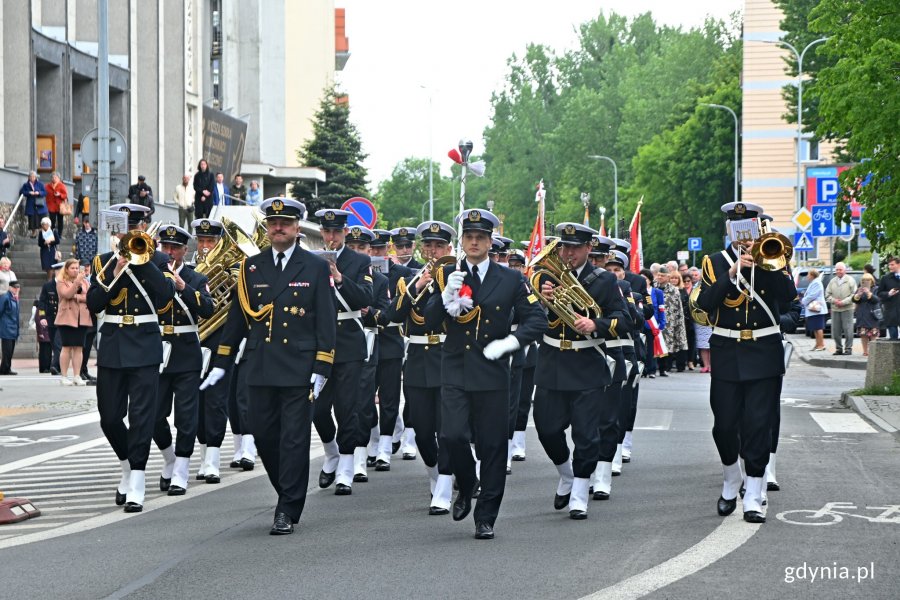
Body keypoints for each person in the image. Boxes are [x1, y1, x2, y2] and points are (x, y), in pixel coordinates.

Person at [202, 198, 336, 535]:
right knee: (262, 435)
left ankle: (287, 507)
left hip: (299, 366)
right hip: (260, 365)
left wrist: (322, 366)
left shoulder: (315, 267)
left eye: (286, 223)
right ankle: (286, 492)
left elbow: (326, 321)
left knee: (293, 439)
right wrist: (221, 362)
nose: (278, 228)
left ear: (296, 229)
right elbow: (237, 320)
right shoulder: (251, 267)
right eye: (273, 222)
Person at [425, 208, 546, 539]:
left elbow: (536, 319)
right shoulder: (451, 273)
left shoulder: (510, 279)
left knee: (493, 446)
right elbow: (430, 320)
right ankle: (467, 484)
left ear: (490, 242)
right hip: (454, 368)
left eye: (480, 237)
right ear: (462, 242)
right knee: (450, 436)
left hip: (492, 372)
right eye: (469, 237)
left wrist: (510, 343)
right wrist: (445, 293)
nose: (474, 242)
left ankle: (486, 515)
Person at [696, 201, 797, 524]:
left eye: (749, 226)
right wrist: (732, 272)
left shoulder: (773, 258)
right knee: (724, 424)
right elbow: (705, 304)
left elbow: (788, 297)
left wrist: (770, 264)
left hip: (763, 351)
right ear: (729, 229)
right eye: (736, 226)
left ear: (757, 228)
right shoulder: (713, 263)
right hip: (726, 350)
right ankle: (731, 479)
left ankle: (754, 492)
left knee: (758, 424)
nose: (742, 232)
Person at [532, 225, 627, 520]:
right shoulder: (545, 277)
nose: (568, 253)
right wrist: (545, 303)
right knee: (547, 429)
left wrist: (595, 325)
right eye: (564, 247)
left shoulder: (605, 280)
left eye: (575, 247)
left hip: (587, 363)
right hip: (551, 361)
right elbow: (529, 318)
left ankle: (580, 491)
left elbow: (624, 319)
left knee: (586, 435)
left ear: (589, 248)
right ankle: (567, 474)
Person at [86, 203, 176, 513]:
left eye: (135, 226)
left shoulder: (159, 258)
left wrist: (143, 260)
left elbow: (166, 297)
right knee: (109, 417)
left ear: (143, 227)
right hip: (112, 345)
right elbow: (94, 304)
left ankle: (138, 477)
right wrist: (113, 270)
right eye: (124, 226)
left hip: (146, 344)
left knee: (142, 416)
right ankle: (126, 464)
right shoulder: (101, 261)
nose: (129, 232)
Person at [386, 221, 457, 514]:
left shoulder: (457, 277)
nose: (433, 251)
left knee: (448, 429)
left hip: (446, 358)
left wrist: (442, 286)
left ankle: (443, 486)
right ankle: (435, 476)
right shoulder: (408, 279)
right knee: (423, 431)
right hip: (416, 360)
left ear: (449, 249)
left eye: (439, 246)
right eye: (428, 245)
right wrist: (417, 286)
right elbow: (391, 316)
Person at [311, 208, 374, 496]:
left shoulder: (360, 261)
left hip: (349, 341)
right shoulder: (310, 260)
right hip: (319, 344)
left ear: (345, 232)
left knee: (347, 408)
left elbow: (365, 298)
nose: (332, 237)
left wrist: (338, 277)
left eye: (337, 231)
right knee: (318, 409)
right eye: (327, 231)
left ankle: (346, 467)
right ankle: (332, 452)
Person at [151, 225, 214, 496]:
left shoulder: (195, 277)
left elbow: (208, 308)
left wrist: (183, 287)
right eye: (165, 247)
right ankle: (169, 459)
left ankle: (182, 470)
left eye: (175, 248)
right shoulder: (150, 276)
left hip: (187, 351)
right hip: (157, 351)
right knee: (153, 414)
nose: (169, 252)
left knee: (187, 417)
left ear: (184, 251)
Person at [390, 226, 422, 457]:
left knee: (411, 389)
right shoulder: (388, 270)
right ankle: (396, 427)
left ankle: (410, 436)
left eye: (407, 245)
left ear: (413, 247)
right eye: (399, 246)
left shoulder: (421, 270)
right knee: (391, 388)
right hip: (391, 333)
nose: (403, 250)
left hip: (412, 336)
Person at [55, 258, 92, 385]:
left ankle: (77, 375)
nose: (76, 270)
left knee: (78, 347)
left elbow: (89, 297)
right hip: (67, 317)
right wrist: (76, 283)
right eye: (73, 268)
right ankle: (64, 376)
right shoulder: (61, 281)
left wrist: (78, 297)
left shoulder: (85, 282)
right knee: (66, 347)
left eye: (77, 268)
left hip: (82, 318)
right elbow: (67, 294)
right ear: (66, 269)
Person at [825, 262, 857, 355]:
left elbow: (853, 295)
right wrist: (834, 301)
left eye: (840, 269)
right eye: (837, 269)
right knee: (835, 331)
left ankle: (848, 348)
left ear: (845, 270)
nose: (838, 271)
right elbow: (827, 295)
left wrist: (843, 302)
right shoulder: (832, 281)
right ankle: (838, 348)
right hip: (835, 309)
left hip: (847, 308)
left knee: (848, 330)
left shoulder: (850, 280)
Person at [38, 263, 63, 375]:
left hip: (63, 319)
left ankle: (54, 366)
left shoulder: (66, 284)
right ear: (55, 272)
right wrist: (42, 317)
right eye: (59, 271)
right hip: (51, 318)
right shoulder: (48, 286)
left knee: (58, 343)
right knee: (54, 343)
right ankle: (59, 366)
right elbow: (42, 302)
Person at [853, 276, 881, 356]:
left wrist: (869, 293)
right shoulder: (859, 289)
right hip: (862, 314)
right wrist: (858, 295)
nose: (866, 282)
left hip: (872, 315)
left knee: (873, 334)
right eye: (863, 280)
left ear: (872, 281)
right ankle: (865, 351)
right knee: (863, 334)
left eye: (868, 280)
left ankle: (873, 352)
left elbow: (877, 300)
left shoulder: (876, 289)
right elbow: (854, 300)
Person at [801, 269, 828, 351]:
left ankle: (821, 345)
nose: (807, 276)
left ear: (812, 275)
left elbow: (812, 295)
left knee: (818, 327)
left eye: (808, 274)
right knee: (815, 327)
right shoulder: (814, 282)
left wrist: (803, 301)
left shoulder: (816, 282)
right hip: (813, 309)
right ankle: (817, 344)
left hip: (817, 309)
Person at [876, 257, 900, 340]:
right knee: (893, 339)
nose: (890, 267)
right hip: (891, 312)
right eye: (889, 265)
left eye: (892, 264)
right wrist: (888, 293)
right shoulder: (885, 278)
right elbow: (879, 293)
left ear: (898, 264)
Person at [0, 281, 20, 375]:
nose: (16, 289)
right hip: (6, 327)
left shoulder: (15, 298)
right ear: (10, 287)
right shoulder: (5, 297)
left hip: (13, 327)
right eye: (14, 287)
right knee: (7, 350)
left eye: (18, 287)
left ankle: (7, 368)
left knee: (10, 350)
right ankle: (4, 369)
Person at [21, 171, 48, 238]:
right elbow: (22, 192)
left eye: (33, 176)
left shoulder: (40, 184)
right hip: (31, 205)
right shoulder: (26, 185)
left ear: (36, 177)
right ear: (29, 177)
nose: (32, 178)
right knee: (32, 219)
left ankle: (42, 234)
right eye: (31, 176)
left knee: (42, 219)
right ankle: (33, 233)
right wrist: (29, 193)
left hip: (40, 205)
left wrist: (38, 193)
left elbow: (45, 192)